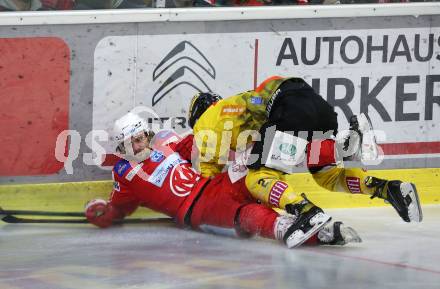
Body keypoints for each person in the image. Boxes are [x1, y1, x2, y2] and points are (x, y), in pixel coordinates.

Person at [85, 112, 362, 248]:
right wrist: (102, 212)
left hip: (215, 185)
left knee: (258, 154)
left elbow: (199, 141)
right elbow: (117, 209)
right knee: (245, 216)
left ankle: (336, 149)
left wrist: (217, 125)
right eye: (132, 141)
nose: (140, 143)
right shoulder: (124, 173)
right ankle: (317, 233)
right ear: (121, 147)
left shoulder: (164, 145)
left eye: (141, 136)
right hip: (198, 210)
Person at [188, 76, 423, 223]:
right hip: (314, 105)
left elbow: (209, 180)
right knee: (326, 176)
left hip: (288, 109)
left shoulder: (206, 123)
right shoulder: (237, 106)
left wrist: (202, 206)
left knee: (258, 176)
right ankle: (387, 188)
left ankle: (306, 211)